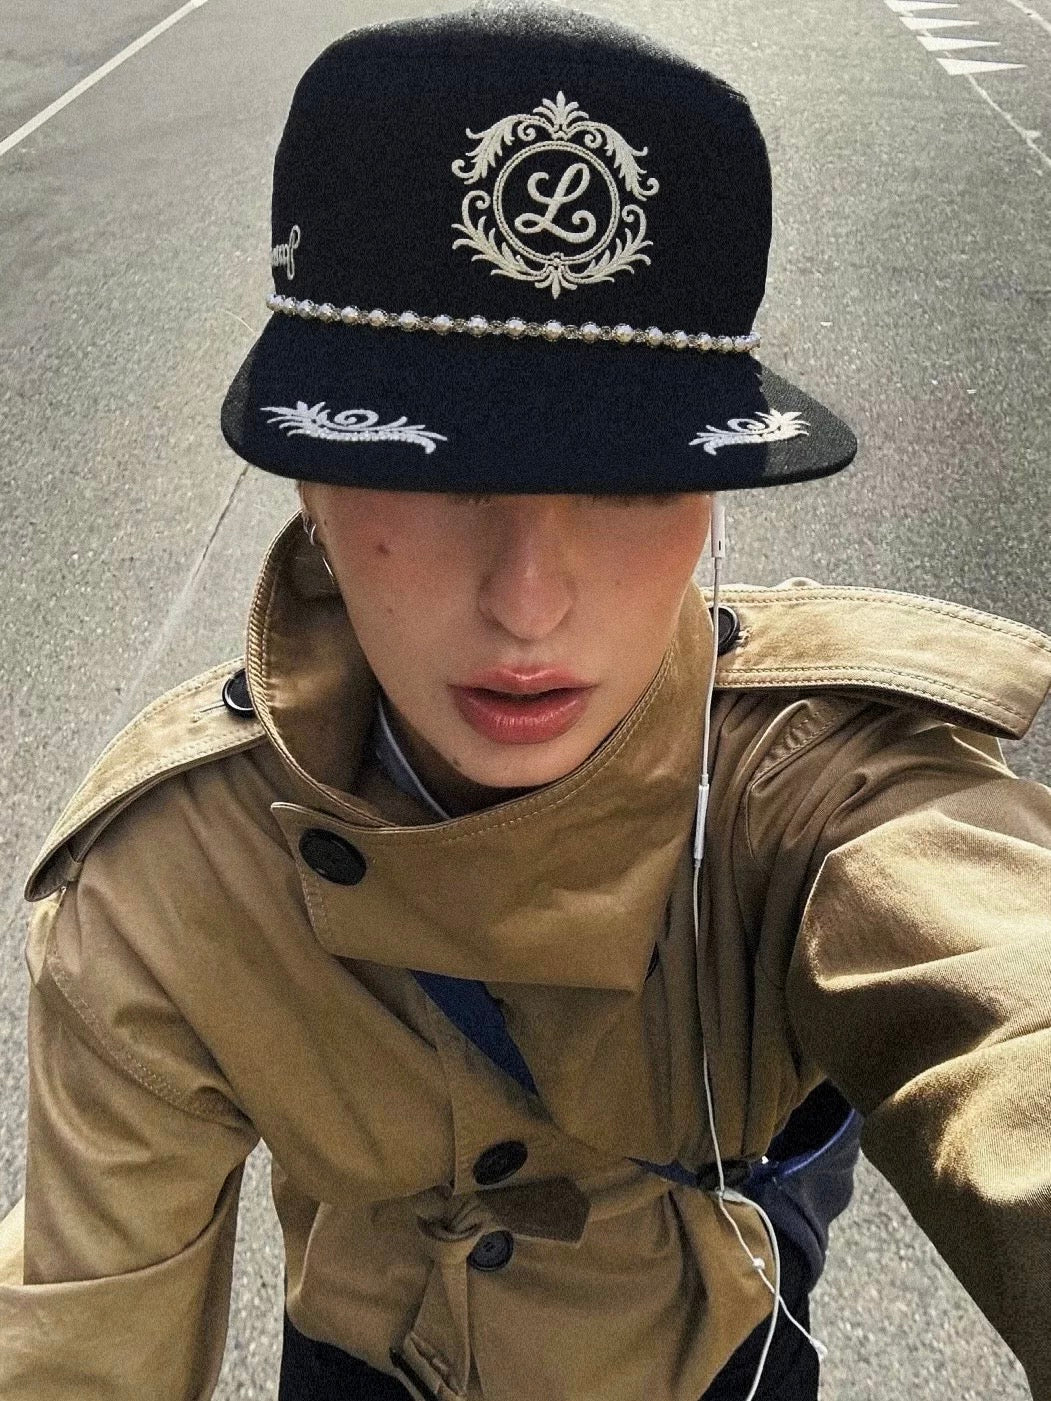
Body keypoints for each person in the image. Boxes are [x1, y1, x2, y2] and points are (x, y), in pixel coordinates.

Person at [2, 3, 1050, 1399]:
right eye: (437, 474)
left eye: (629, 481)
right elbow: (82, 1335)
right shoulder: (174, 881)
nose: (530, 603)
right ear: (313, 479)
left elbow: (1003, 992)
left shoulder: (809, 789)